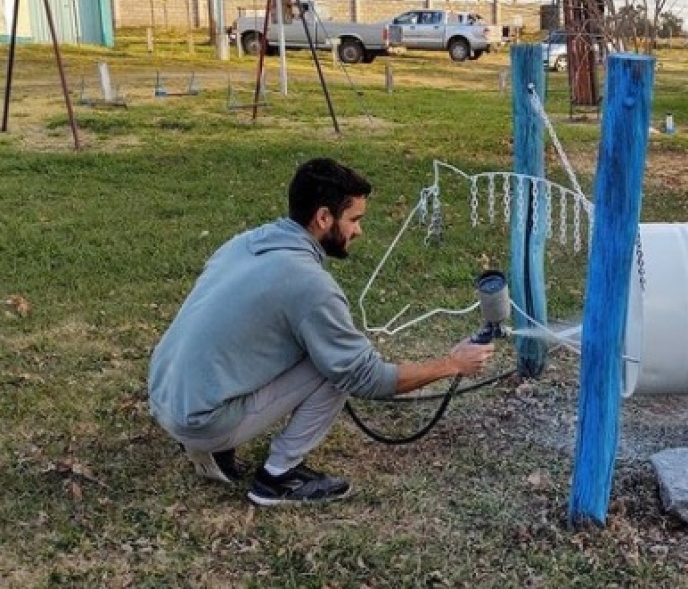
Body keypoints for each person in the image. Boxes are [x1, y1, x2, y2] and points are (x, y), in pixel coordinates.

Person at [148, 157, 495, 507]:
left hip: (165, 394)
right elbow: (365, 377)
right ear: (324, 217)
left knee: (317, 345)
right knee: (336, 369)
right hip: (198, 419)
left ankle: (214, 442)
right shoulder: (310, 285)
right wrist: (452, 364)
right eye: (354, 219)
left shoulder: (247, 243)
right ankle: (278, 478)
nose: (358, 231)